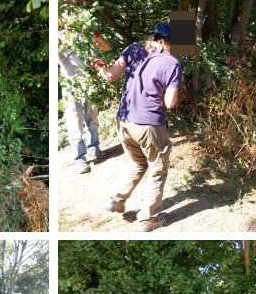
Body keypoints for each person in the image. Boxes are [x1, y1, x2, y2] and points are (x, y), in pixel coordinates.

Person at [97, 22, 182, 232]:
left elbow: (110, 76)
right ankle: (148, 219)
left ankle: (116, 201)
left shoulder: (133, 48)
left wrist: (98, 65)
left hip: (124, 121)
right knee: (157, 170)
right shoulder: (172, 63)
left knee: (137, 163)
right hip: (149, 125)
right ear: (166, 41)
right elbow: (171, 103)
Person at [58, 18, 110, 174]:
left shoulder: (86, 35)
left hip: (89, 85)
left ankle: (95, 149)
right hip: (71, 87)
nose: (70, 18)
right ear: (61, 20)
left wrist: (96, 35)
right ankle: (80, 159)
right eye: (65, 15)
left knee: (92, 119)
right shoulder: (59, 37)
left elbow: (107, 48)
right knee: (75, 124)